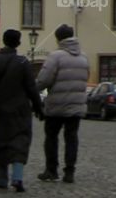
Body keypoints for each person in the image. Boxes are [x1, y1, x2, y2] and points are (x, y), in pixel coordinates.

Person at [0, 28, 43, 192]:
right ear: (18, 43)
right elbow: (31, 88)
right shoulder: (23, 62)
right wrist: (38, 108)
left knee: (1, 142)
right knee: (20, 142)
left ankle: (1, 179)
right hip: (20, 110)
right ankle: (17, 177)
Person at [36, 24, 89, 184]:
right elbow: (85, 78)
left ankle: (51, 170)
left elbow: (44, 80)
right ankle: (69, 172)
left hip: (57, 104)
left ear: (58, 39)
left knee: (51, 137)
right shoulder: (84, 57)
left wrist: (35, 90)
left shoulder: (55, 56)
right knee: (71, 138)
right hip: (76, 105)